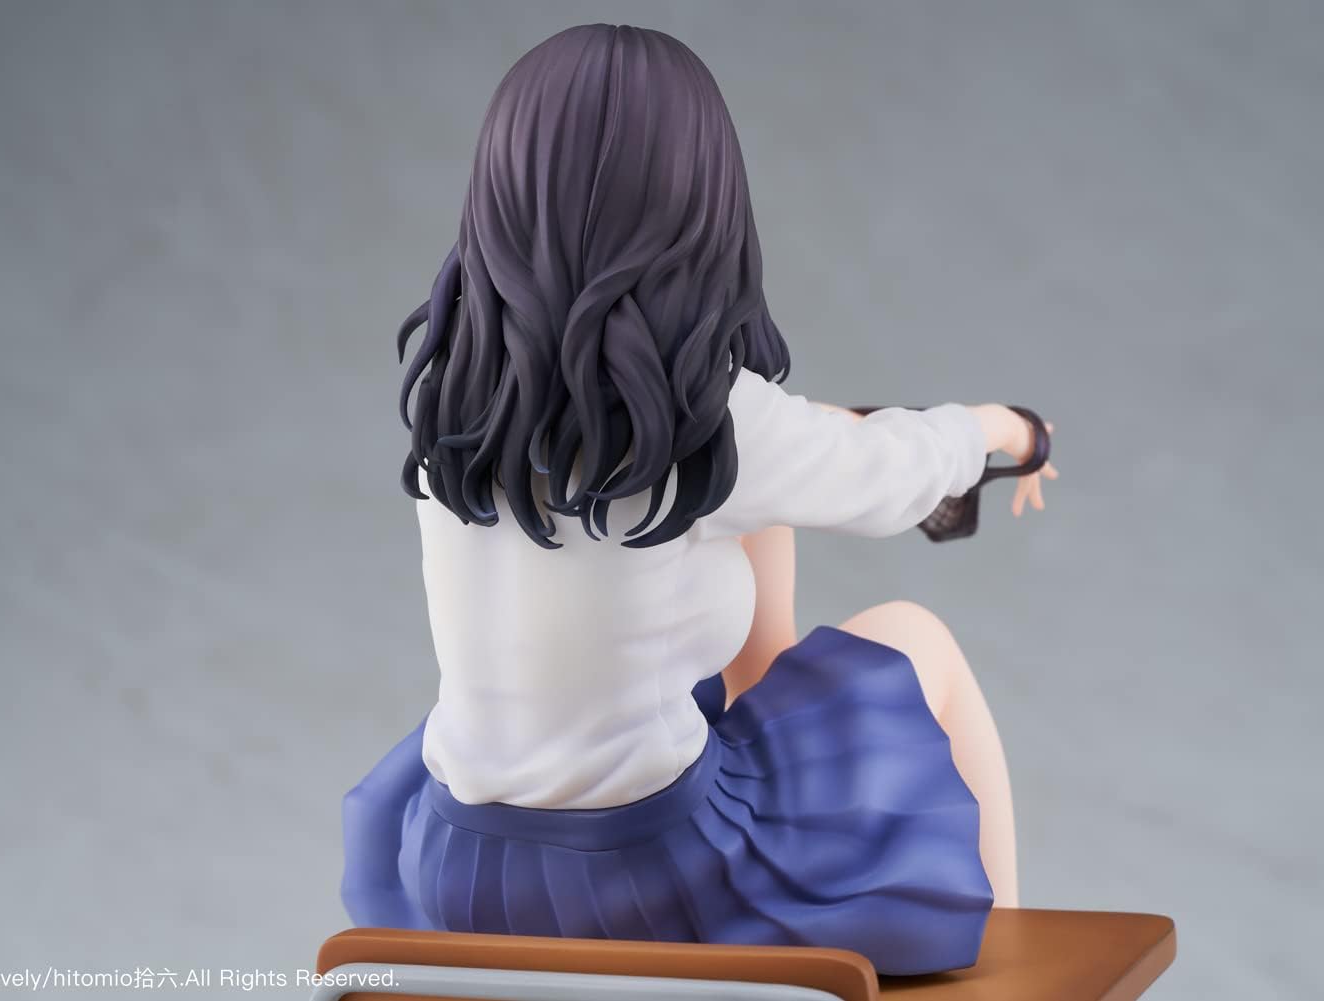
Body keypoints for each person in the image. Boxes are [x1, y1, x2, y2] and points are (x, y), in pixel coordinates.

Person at [341, 23, 1057, 976]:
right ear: (699, 205)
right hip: (646, 878)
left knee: (735, 570)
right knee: (915, 636)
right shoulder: (713, 421)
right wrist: (1004, 428)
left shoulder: (456, 405)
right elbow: (892, 475)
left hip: (458, 865)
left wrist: (800, 437)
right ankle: (1014, 969)